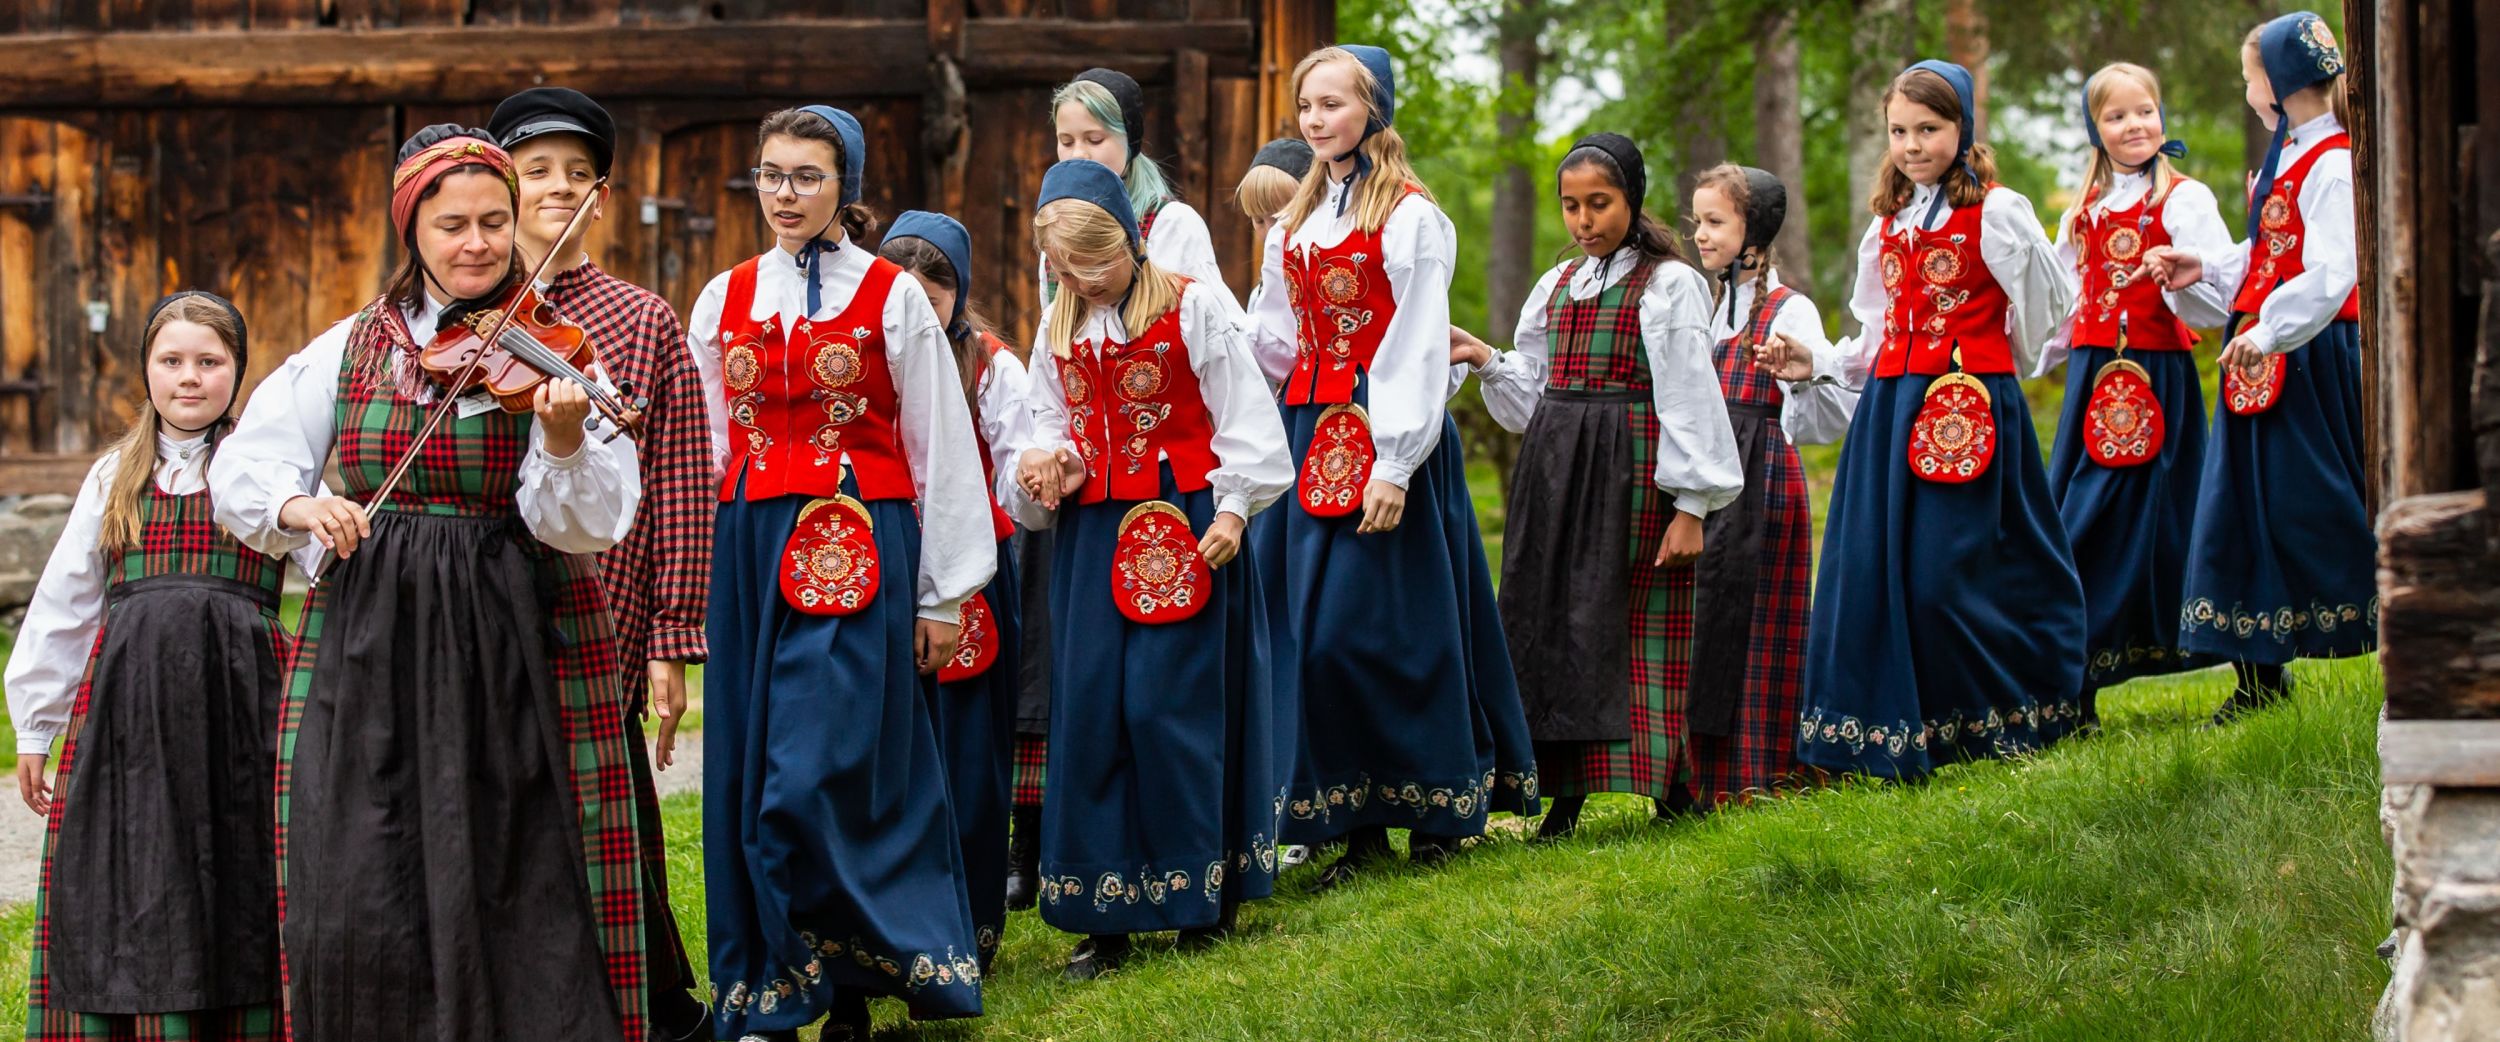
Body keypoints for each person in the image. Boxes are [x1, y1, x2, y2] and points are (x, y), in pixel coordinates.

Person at [210, 126, 651, 1041]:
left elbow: (589, 521)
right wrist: (301, 510)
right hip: (374, 625)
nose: (479, 243)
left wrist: (565, 439)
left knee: (518, 848)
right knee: (363, 850)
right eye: (453, 225)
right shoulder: (352, 344)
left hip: (517, 624)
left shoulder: (557, 353)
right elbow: (248, 465)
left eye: (496, 220)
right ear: (414, 231)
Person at [686, 105, 992, 1042]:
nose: (785, 194)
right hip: (750, 547)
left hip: (861, 542)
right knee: (751, 767)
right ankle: (778, 984)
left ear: (843, 188)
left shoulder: (894, 296)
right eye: (772, 175)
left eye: (807, 176)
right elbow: (708, 442)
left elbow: (938, 443)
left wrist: (944, 591)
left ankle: (857, 976)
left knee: (826, 767)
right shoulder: (723, 297)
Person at [1251, 44, 1540, 886]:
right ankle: (1358, 826)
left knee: (1387, 634)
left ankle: (1435, 815)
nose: (1315, 120)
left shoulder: (1413, 216)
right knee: (1308, 637)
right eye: (1307, 107)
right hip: (1308, 434)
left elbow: (1416, 345)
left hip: (1384, 434)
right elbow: (1271, 339)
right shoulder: (1295, 221)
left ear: (1373, 110)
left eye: (1332, 105)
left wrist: (1395, 460)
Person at [1008, 158, 1294, 979]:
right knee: (1096, 711)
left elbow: (1246, 416)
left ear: (1131, 240)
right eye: (1064, 268)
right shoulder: (1059, 323)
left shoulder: (1194, 304)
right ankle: (1108, 914)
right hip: (1095, 537)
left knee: (1174, 709)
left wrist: (1235, 509)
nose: (1082, 281)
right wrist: (1046, 461)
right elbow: (1047, 418)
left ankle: (1197, 898)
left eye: (1094, 262)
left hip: (1186, 525)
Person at [1765, 61, 2087, 781]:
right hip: (1890, 409)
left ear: (1962, 128)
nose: (1912, 145)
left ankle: (2001, 712)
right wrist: (1815, 362)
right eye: (1899, 131)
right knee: (1879, 568)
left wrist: (2002, 368)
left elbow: (2045, 305)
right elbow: (1876, 331)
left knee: (1954, 570)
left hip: (1965, 406)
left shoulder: (1998, 211)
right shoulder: (1891, 220)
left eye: (1929, 129)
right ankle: (1901, 730)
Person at [11, 292, 313, 1042]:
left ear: (237, 371)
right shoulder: (114, 475)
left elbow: (331, 555)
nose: (189, 378)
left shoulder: (267, 471)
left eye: (209, 362)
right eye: (171, 360)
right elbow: (65, 605)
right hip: (126, 712)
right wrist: (35, 727)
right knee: (133, 866)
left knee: (236, 868)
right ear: (146, 369)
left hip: (241, 709)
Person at [490, 85, 717, 1041]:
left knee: (606, 805)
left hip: (605, 600)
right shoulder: (462, 307)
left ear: (603, 195)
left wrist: (672, 633)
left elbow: (679, 482)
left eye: (576, 176)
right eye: (534, 172)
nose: (556, 190)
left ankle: (649, 1001)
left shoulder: (642, 319)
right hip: (482, 598)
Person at [1452, 134, 1743, 838]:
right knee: (1556, 622)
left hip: (1631, 471)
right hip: (1555, 476)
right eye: (1571, 206)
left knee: (1627, 619)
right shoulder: (1557, 284)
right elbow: (1533, 396)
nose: (1583, 221)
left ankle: (1671, 784)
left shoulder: (1667, 283)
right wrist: (1488, 359)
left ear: (1632, 199)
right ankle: (1564, 790)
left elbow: (1689, 397)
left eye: (1600, 204)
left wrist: (1692, 507)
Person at [2140, 12, 2375, 724]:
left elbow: (2333, 272)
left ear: (2274, 85)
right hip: (2265, 357)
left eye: (2249, 78)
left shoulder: (2331, 162)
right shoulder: (2293, 154)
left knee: (2313, 509)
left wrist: (2270, 330)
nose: (2247, 91)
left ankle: (2384, 621)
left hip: (2305, 361)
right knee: (2241, 514)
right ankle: (2259, 679)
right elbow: (2271, 254)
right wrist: (2207, 264)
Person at [2036, 63, 2235, 728]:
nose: (2135, 126)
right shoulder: (2082, 213)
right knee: (2081, 522)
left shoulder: (2184, 201)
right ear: (2095, 128)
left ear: (2161, 115)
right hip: (2095, 381)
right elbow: (2064, 301)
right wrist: (2038, 357)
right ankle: (2078, 686)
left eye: (2145, 111)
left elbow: (2219, 295)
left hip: (2159, 374)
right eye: (2117, 116)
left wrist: (2178, 282)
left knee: (2180, 520)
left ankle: (2259, 667)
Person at [877, 209, 1031, 971]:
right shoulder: (862, 360)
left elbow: (1018, 454)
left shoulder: (991, 365)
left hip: (969, 579)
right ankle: (901, 921)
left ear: (956, 291)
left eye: (931, 291)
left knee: (968, 760)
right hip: (886, 572)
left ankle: (971, 925)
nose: (914, 306)